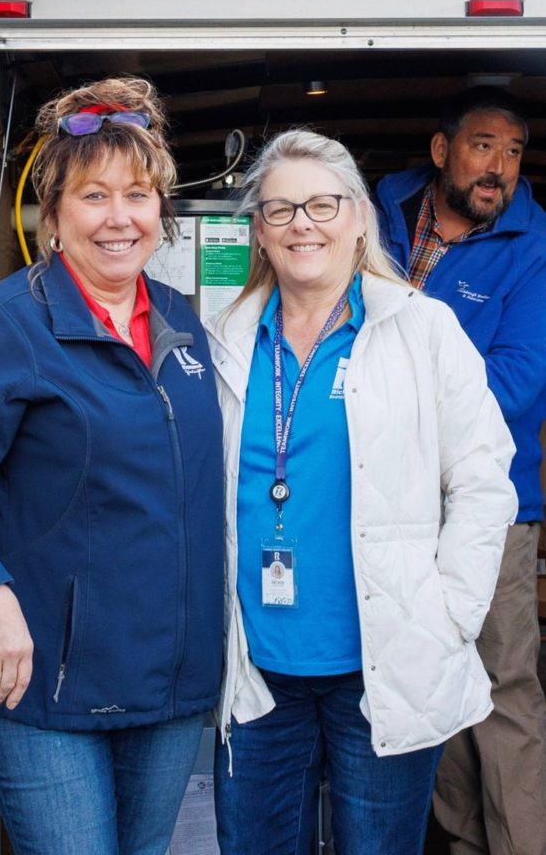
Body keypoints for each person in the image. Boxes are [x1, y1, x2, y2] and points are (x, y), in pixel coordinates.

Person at [0, 76, 224, 855]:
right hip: (47, 692)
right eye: (94, 196)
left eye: (138, 194)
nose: (119, 218)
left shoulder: (183, 324)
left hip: (170, 686)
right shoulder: (8, 327)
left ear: (162, 207)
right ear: (54, 214)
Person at [205, 128, 517, 855]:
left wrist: (454, 615)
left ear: (357, 217)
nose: (302, 224)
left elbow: (481, 475)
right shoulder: (225, 339)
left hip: (384, 667)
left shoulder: (422, 329)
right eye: (280, 210)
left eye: (321, 204)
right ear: (258, 231)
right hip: (257, 677)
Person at [375, 88, 546, 855]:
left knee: (503, 683)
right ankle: (461, 845)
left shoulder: (534, 243)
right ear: (443, 151)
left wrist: (400, 402)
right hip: (388, 499)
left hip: (494, 503)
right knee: (425, 678)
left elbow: (518, 380)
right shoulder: (380, 210)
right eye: (484, 147)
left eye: (513, 154)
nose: (499, 169)